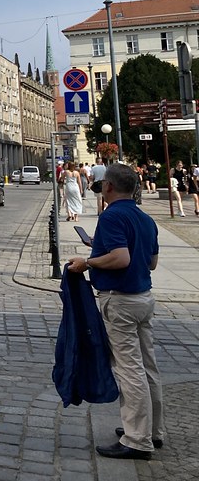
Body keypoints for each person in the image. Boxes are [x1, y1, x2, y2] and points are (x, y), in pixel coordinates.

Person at [68, 162, 164, 460]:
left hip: (119, 300)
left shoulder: (111, 216)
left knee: (129, 369)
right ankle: (152, 431)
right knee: (148, 368)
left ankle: (137, 440)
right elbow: (151, 263)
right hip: (143, 297)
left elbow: (121, 258)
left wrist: (89, 261)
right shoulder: (145, 219)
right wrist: (105, 249)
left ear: (108, 186)